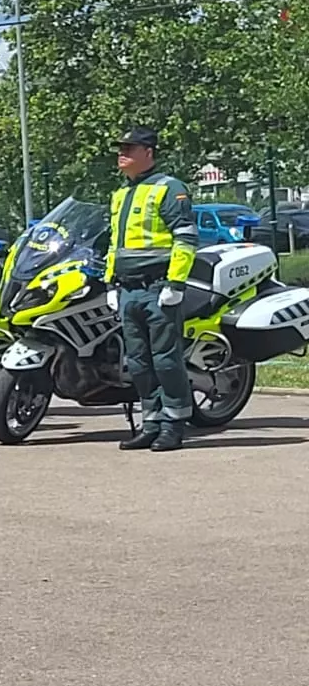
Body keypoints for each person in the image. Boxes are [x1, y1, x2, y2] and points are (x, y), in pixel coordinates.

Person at [106, 127, 202, 453]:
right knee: (138, 363)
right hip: (129, 291)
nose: (122, 154)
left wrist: (175, 284)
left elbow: (185, 239)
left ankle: (174, 425)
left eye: (129, 149)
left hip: (159, 287)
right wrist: (111, 282)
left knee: (165, 361)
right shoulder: (121, 194)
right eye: (121, 148)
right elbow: (115, 246)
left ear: (148, 152)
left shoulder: (169, 189)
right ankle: (151, 422)